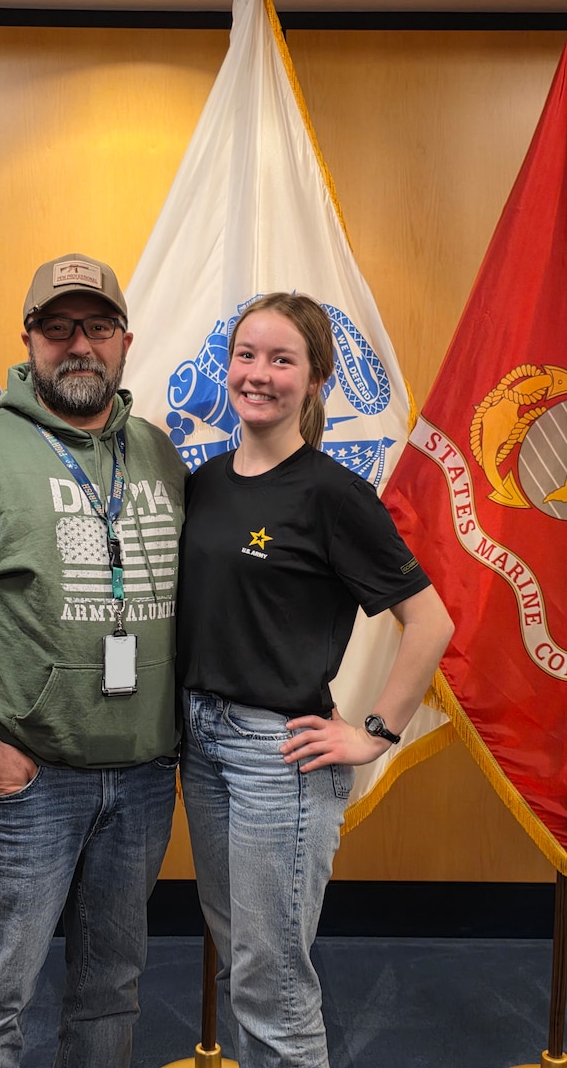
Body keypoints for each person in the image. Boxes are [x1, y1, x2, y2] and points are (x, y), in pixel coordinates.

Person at [0, 253, 188, 1068]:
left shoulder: (162, 456)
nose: (77, 344)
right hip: (27, 784)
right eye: (57, 328)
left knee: (111, 991)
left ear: (126, 341)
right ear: (27, 342)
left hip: (145, 779)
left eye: (95, 326)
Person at [176, 292, 454, 1068]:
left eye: (281, 359)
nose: (257, 374)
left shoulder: (334, 494)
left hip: (281, 758)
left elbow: (431, 624)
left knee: (275, 989)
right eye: (246, 355)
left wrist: (375, 734)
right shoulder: (203, 483)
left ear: (315, 378)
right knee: (244, 969)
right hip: (201, 745)